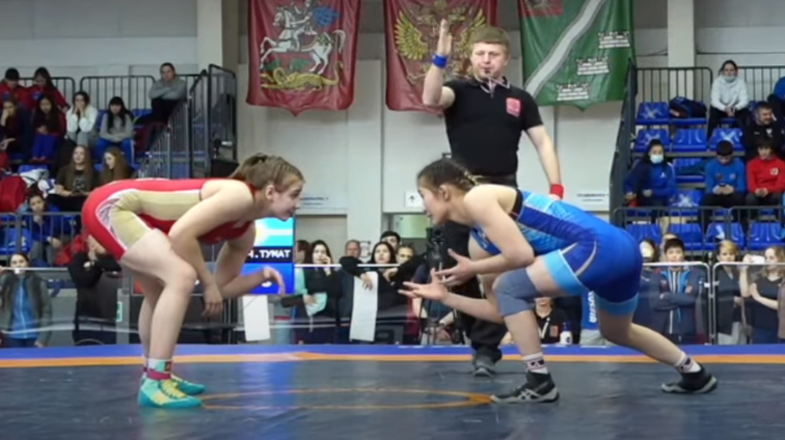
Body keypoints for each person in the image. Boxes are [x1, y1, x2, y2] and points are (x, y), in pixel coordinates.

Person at [400, 158, 718, 403]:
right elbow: (501, 311)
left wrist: (472, 269)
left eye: (423, 195)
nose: (422, 206)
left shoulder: (479, 198)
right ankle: (694, 373)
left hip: (597, 247)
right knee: (616, 331)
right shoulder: (478, 243)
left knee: (508, 285)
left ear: (444, 192)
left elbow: (520, 255)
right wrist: (447, 298)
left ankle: (539, 382)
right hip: (621, 248)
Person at [81, 154, 304, 409]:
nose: (298, 204)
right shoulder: (239, 195)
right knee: (181, 276)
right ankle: (156, 380)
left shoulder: (245, 232)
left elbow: (221, 289)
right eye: (295, 195)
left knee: (160, 291)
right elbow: (180, 234)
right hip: (113, 205)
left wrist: (260, 276)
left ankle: (153, 372)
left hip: (128, 211)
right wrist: (206, 283)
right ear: (271, 192)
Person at [421, 20, 563, 376]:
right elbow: (430, 98)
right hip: (460, 194)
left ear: (506, 58)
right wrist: (440, 57)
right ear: (470, 57)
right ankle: (477, 339)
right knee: (458, 272)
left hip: (501, 194)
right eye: (480, 54)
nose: (486, 60)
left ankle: (486, 349)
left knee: (496, 274)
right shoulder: (458, 91)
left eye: (494, 54)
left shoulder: (520, 99)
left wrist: (556, 188)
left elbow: (543, 142)